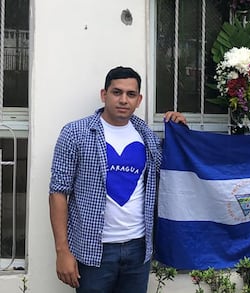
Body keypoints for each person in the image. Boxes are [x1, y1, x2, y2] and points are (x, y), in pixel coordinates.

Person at [49, 66, 186, 292]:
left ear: (139, 99)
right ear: (104, 95)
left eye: (130, 94)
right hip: (94, 251)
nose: (123, 100)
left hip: (138, 249)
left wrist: (180, 131)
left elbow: (175, 168)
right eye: (117, 92)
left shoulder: (147, 137)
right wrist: (62, 251)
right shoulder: (75, 133)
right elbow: (58, 193)